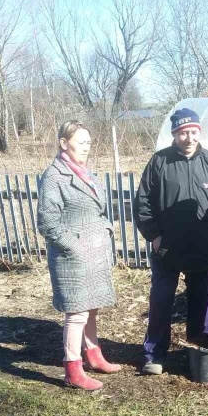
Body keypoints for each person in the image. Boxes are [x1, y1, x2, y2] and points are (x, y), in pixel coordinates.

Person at [133, 108, 208, 375]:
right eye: (182, 133)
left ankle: (200, 342)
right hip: (167, 248)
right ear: (174, 134)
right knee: (161, 300)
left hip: (204, 249)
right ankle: (154, 354)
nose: (188, 138)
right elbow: (142, 204)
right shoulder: (159, 163)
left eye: (193, 132)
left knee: (202, 300)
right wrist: (154, 236)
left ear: (199, 132)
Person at [37, 120, 121, 391]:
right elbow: (47, 222)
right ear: (64, 143)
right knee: (77, 313)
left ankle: (94, 356)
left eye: (88, 142)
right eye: (80, 142)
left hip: (94, 252)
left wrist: (106, 226)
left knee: (92, 306)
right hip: (71, 256)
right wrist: (75, 247)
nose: (86, 147)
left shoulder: (86, 172)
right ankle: (72, 369)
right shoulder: (54, 176)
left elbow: (95, 209)